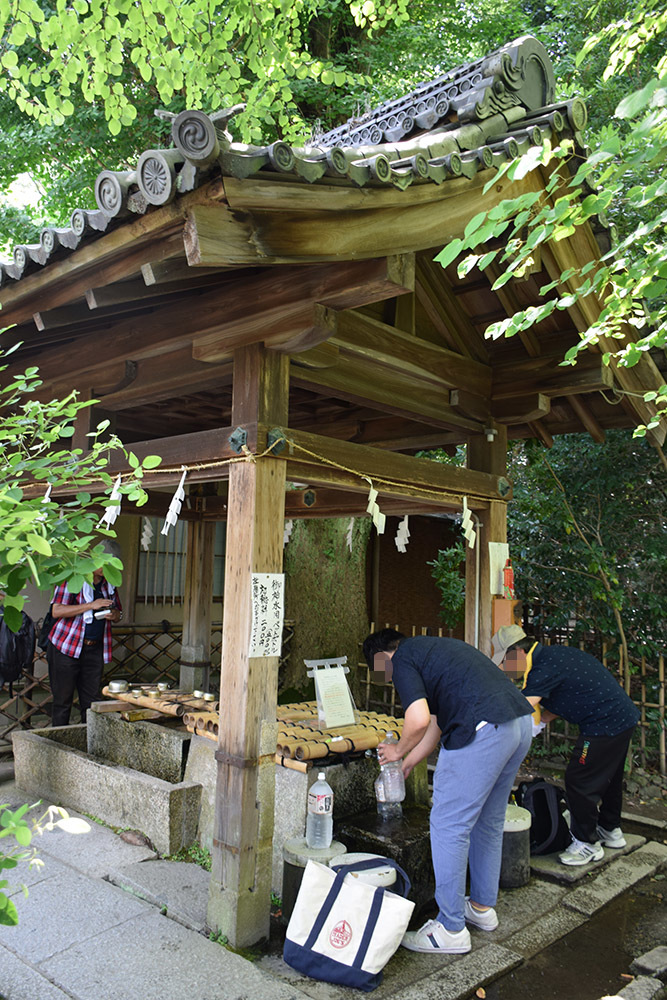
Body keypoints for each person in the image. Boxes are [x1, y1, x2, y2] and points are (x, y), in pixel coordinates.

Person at [363, 629, 533, 955]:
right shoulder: (436, 650)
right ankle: (481, 908)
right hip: (517, 723)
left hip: (484, 728)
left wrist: (397, 750)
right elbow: (436, 724)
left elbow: (416, 719)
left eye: (379, 671)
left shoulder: (402, 660)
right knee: (488, 820)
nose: (386, 678)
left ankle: (450, 927)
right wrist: (410, 761)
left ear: (382, 657)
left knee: (448, 825)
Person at [491, 624, 640, 867]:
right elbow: (556, 705)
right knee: (610, 777)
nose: (506, 669)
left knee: (579, 779)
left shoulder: (541, 668)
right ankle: (609, 830)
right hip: (622, 718)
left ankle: (586, 844)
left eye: (506, 661)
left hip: (603, 724)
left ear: (517, 652)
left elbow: (522, 709)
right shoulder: (551, 656)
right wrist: (541, 723)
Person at [47, 543, 123, 726]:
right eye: (105, 563)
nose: (108, 568)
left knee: (91, 703)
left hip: (95, 648)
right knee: (62, 702)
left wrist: (115, 615)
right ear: (94, 560)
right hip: (66, 647)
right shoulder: (74, 578)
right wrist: (90, 605)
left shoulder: (109, 584)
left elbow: (119, 612)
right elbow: (56, 611)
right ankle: (58, 747)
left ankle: (87, 748)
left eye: (112, 564)